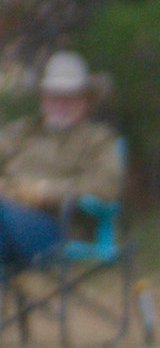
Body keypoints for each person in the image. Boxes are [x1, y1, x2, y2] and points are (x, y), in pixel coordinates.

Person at [0, 51, 121, 272]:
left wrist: (47, 191)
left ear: (85, 101)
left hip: (53, 228)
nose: (60, 104)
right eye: (53, 96)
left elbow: (106, 185)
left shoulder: (97, 140)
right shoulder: (21, 132)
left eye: (69, 97)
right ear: (43, 99)